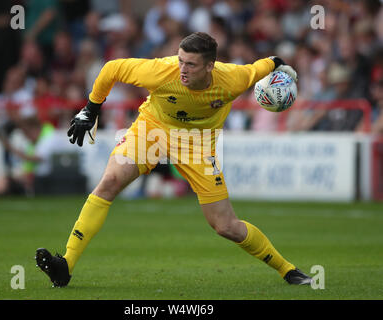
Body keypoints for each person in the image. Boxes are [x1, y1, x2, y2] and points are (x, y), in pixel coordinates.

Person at [35, 32, 311, 287]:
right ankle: (65, 265)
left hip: (198, 144)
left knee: (226, 226)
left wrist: (285, 70)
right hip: (153, 128)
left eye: (191, 64)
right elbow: (111, 69)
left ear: (210, 66)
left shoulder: (235, 78)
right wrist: (90, 110)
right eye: (181, 61)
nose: (182, 69)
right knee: (109, 181)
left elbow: (270, 63)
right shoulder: (161, 71)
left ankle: (288, 270)